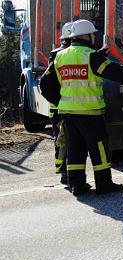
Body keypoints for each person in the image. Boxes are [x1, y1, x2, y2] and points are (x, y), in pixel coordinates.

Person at [53, 19, 123, 196]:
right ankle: (104, 184)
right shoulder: (91, 56)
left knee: (75, 148)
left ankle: (77, 185)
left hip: (68, 111)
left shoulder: (61, 56)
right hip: (90, 112)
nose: (93, 37)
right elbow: (117, 73)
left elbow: (55, 82)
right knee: (99, 148)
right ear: (86, 35)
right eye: (92, 34)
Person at [39, 21, 74, 185]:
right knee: (66, 142)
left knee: (61, 141)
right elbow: (46, 84)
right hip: (64, 108)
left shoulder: (57, 54)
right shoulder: (63, 55)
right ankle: (65, 173)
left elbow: (45, 85)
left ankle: (64, 172)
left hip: (58, 108)